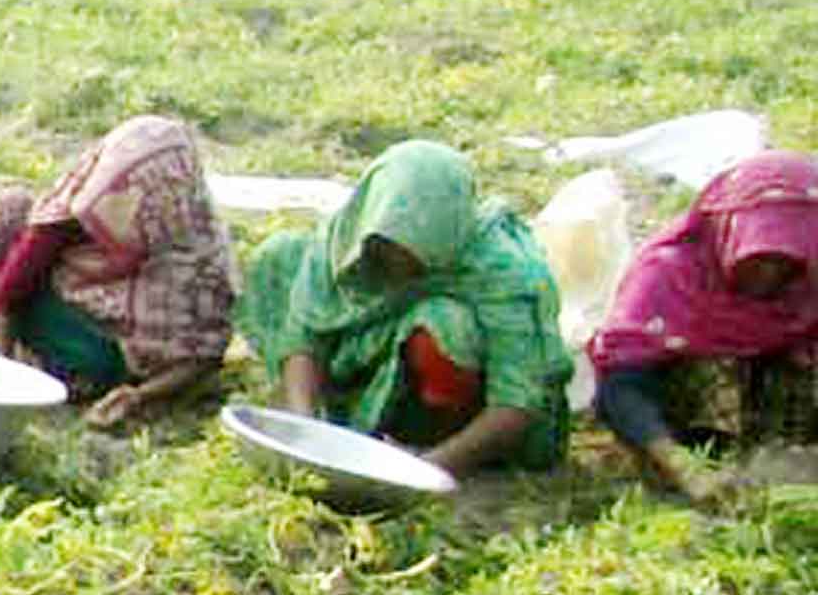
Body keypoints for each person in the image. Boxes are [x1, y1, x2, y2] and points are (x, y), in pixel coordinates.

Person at [240, 138, 575, 477]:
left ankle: (429, 436)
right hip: (362, 366)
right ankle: (347, 414)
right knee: (281, 257)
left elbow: (517, 402)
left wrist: (424, 471)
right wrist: (304, 430)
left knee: (444, 325)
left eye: (418, 254)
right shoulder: (351, 235)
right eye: (388, 246)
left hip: (453, 407)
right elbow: (305, 332)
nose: (400, 263)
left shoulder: (505, 272)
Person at [0, 113, 240, 430]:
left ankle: (51, 372)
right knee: (11, 208)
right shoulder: (77, 210)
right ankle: (1, 351)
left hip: (109, 360)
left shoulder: (197, 255)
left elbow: (203, 355)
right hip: (58, 324)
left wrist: (139, 396)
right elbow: (3, 297)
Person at [584, 147, 818, 504]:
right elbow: (619, 386)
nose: (769, 275)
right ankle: (715, 466)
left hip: (773, 414)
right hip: (689, 426)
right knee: (716, 368)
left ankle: (782, 461)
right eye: (757, 258)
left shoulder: (806, 282)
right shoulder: (669, 273)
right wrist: (682, 465)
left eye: (784, 261)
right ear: (729, 233)